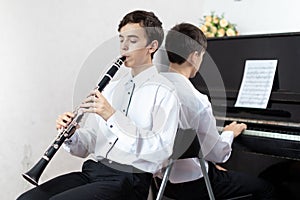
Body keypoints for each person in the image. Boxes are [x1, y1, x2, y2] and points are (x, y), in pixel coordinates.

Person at [17, 10, 180, 200]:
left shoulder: (165, 91)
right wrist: (72, 135)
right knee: (27, 199)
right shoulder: (111, 87)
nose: (124, 47)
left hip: (131, 179)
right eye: (121, 40)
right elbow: (88, 144)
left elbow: (160, 152)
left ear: (152, 46)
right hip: (93, 171)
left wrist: (112, 116)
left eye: (133, 40)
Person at [158, 22, 275, 199]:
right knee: (267, 187)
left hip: (161, 183)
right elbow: (218, 153)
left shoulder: (152, 89)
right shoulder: (197, 100)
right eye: (202, 56)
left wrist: (209, 165)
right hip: (194, 185)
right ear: (194, 55)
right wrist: (228, 133)